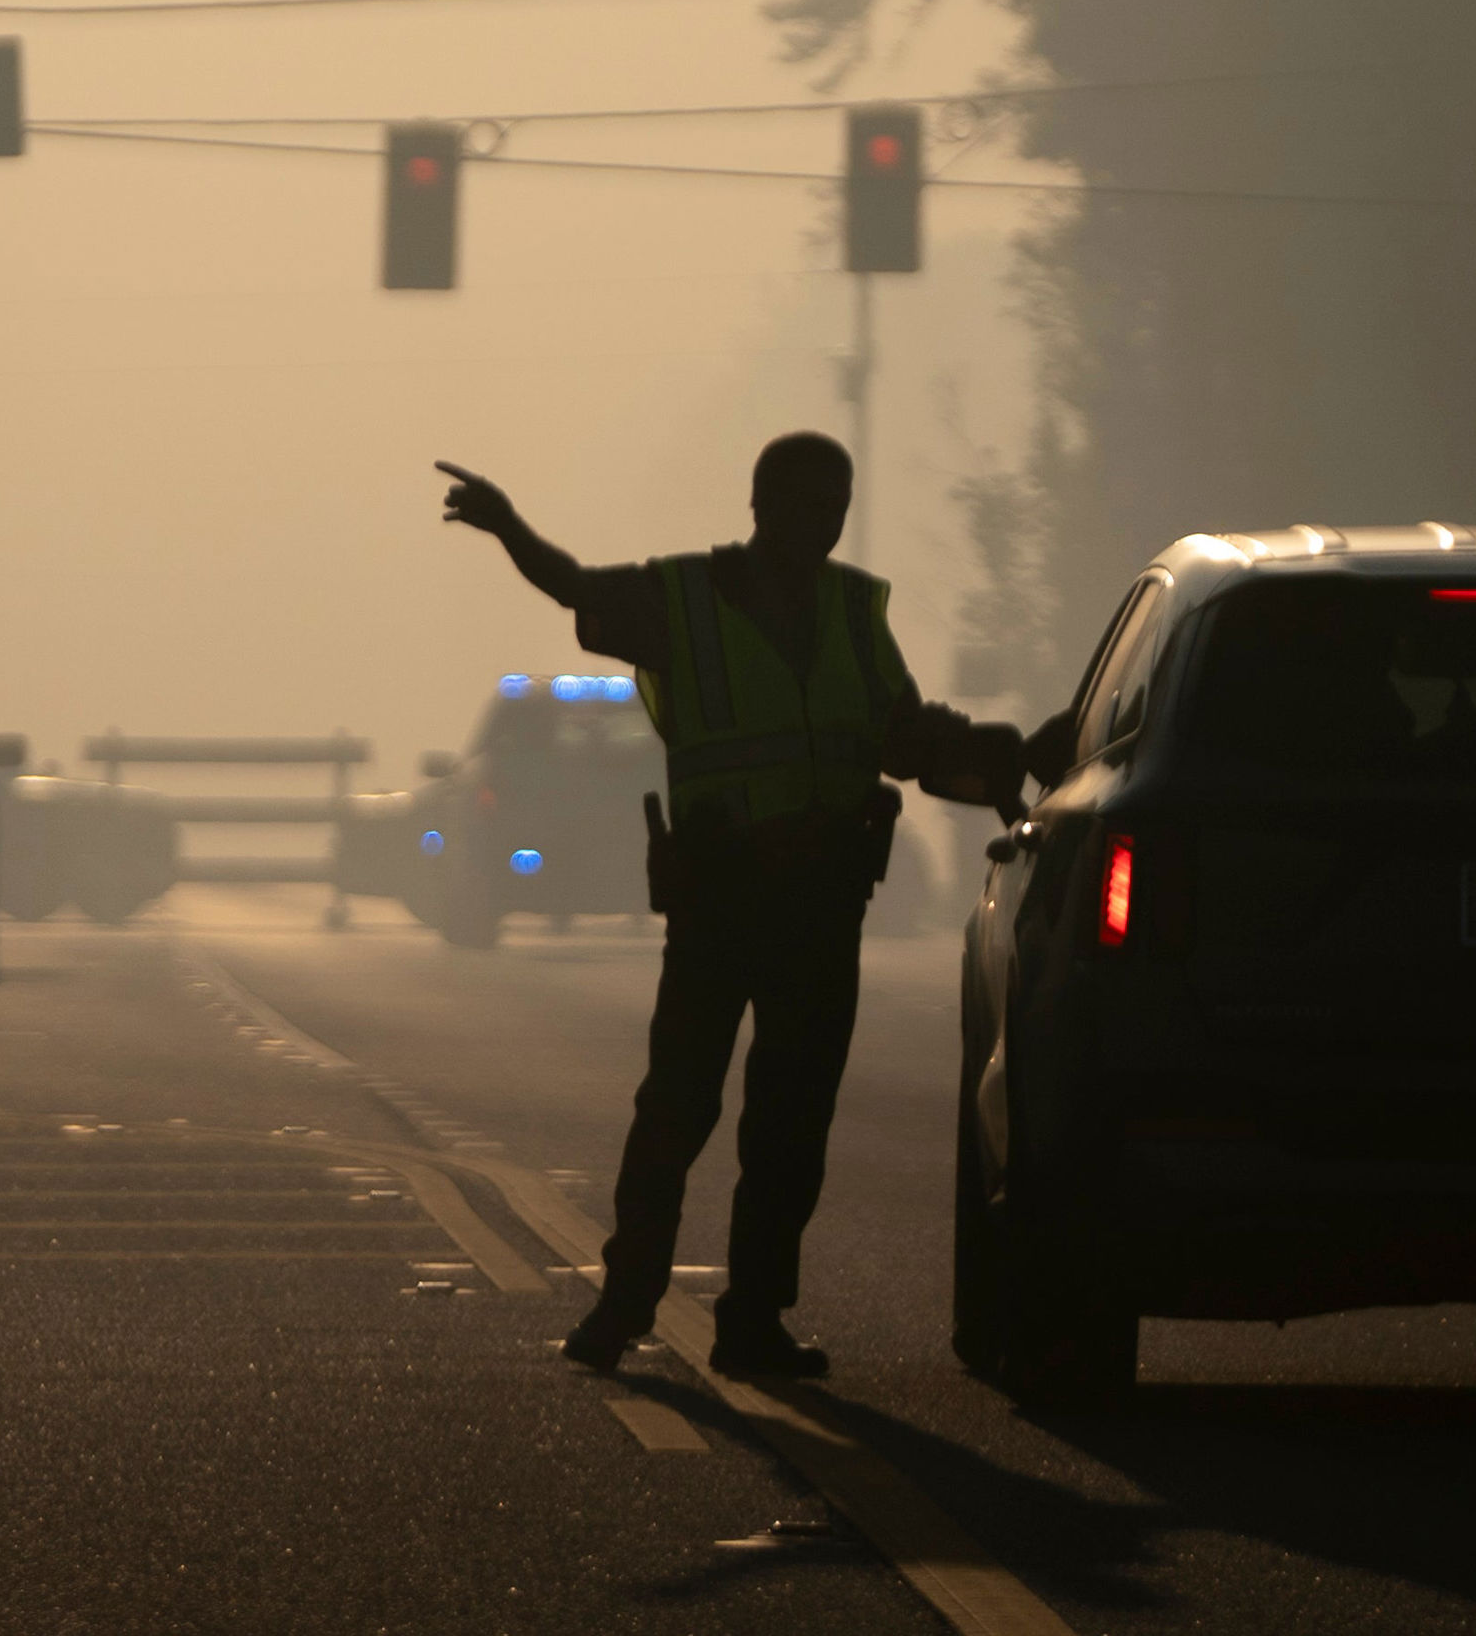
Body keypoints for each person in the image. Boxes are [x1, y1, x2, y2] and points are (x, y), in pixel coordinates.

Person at [437, 432, 1035, 1380]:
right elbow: (580, 590)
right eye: (806, 502)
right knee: (676, 1109)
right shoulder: (685, 602)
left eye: (836, 503)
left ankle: (753, 1319)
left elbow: (903, 735)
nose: (823, 522)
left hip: (821, 912)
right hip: (721, 906)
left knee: (790, 1129)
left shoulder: (852, 610)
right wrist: (509, 527)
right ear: (759, 505)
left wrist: (1003, 757)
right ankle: (625, 1302)